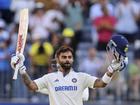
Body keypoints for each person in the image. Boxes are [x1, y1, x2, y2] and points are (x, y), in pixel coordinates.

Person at [11, 35, 129, 105]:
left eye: (69, 57)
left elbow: (102, 83)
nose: (67, 60)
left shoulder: (82, 77)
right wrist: (22, 69)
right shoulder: (49, 78)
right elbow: (31, 86)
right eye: (64, 57)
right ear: (57, 59)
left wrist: (111, 70)